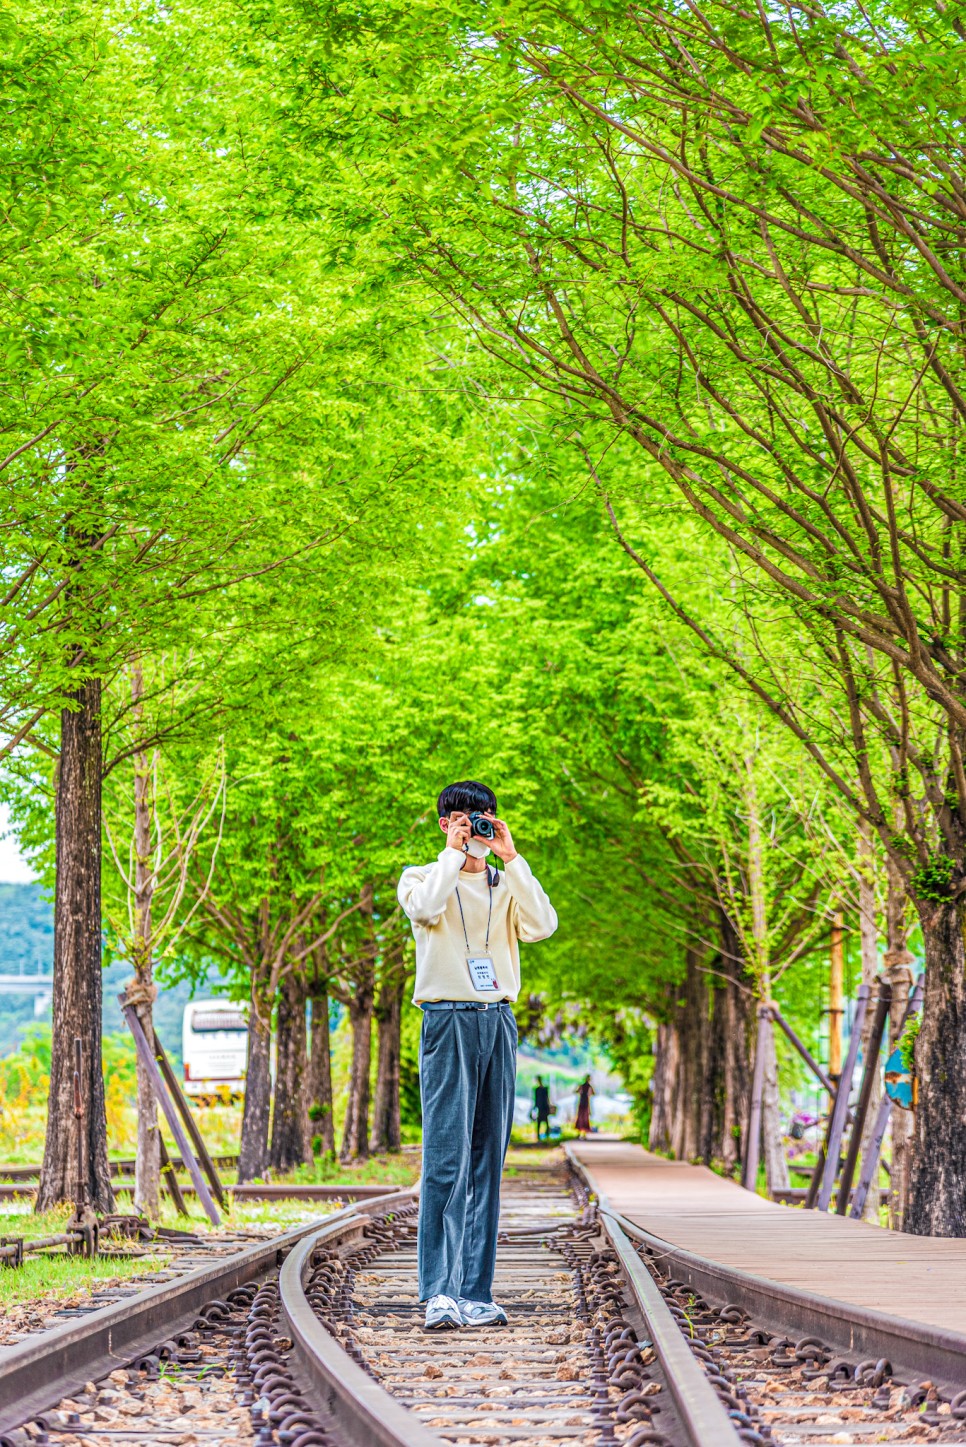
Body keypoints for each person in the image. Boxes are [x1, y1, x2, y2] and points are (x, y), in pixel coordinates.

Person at [398, 780, 557, 1332]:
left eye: (485, 818)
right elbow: (424, 910)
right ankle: (438, 1290)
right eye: (466, 819)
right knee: (447, 1157)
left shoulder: (507, 882)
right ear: (445, 824)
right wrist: (452, 855)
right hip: (447, 1020)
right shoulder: (422, 877)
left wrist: (514, 861)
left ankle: (475, 1291)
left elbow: (543, 926)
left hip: (498, 1021)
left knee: (489, 1159)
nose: (476, 828)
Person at [533, 1076, 552, 1142]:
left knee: (544, 1121)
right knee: (541, 1121)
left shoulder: (543, 1089)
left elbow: (547, 1098)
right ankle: (540, 1136)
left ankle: (546, 1134)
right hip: (541, 1107)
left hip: (544, 1107)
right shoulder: (537, 1089)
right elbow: (536, 1099)